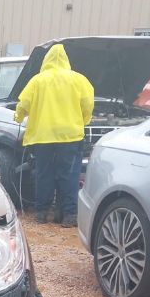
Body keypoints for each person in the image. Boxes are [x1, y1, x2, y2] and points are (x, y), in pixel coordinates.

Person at [14, 44, 94, 227]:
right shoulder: (79, 80)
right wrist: (84, 120)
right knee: (69, 175)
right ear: (66, 60)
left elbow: (24, 104)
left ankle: (41, 213)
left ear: (46, 60)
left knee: (44, 175)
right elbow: (88, 104)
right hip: (70, 137)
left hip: (43, 137)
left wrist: (18, 117)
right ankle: (69, 215)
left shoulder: (38, 81)